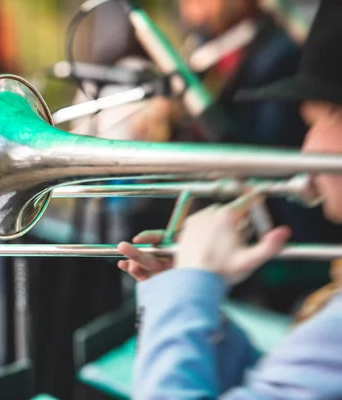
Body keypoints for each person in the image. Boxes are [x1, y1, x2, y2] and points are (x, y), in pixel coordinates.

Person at [117, 1, 342, 398]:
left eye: (313, 123)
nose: (304, 147)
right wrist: (195, 311)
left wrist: (188, 288)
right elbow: (273, 384)